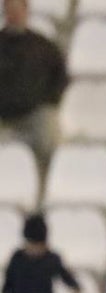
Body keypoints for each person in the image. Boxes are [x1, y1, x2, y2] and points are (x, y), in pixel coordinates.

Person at [0, 0, 68, 173]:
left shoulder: (43, 46)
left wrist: (49, 101)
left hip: (34, 116)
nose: (14, 14)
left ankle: (48, 183)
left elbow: (60, 76)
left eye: (17, 9)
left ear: (26, 11)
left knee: (50, 132)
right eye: (10, 9)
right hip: (2, 118)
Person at [2, 212, 78, 293]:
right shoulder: (17, 258)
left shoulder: (51, 259)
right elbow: (7, 286)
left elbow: (68, 279)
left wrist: (76, 288)